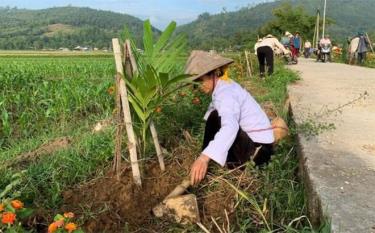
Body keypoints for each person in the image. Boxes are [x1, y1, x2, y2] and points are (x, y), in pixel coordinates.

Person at [185, 51, 275, 185]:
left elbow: (230, 127)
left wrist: (204, 158)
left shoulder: (225, 93)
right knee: (214, 116)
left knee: (215, 117)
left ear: (214, 74)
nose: (198, 86)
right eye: (195, 83)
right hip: (259, 144)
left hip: (258, 153)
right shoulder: (223, 86)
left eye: (200, 81)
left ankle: (205, 162)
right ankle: (209, 158)